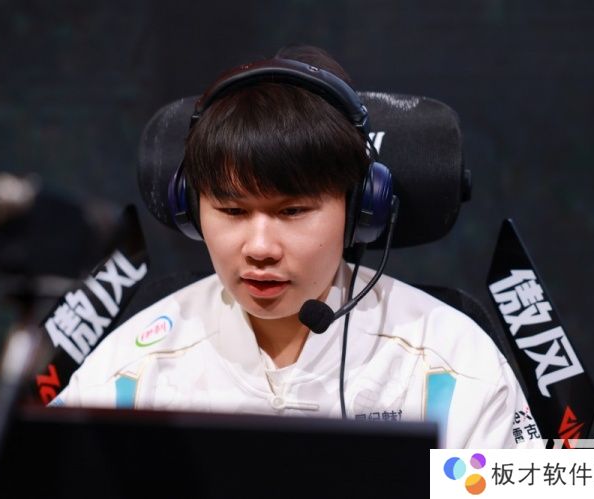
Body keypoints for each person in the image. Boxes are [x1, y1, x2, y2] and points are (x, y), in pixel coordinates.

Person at [51, 45, 541, 448]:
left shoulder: (453, 364)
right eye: (232, 211)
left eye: (293, 211)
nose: (260, 247)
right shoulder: (130, 373)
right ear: (191, 210)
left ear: (359, 208)